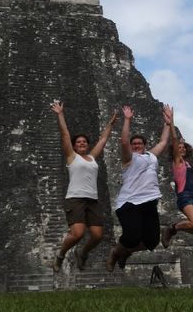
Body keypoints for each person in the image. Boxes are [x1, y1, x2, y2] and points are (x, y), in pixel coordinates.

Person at [50, 100, 117, 272]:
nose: (81, 143)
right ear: (74, 146)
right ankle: (61, 255)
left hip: (92, 200)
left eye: (84, 142)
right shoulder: (72, 157)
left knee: (97, 236)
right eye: (78, 142)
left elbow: (103, 140)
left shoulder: (92, 158)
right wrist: (60, 114)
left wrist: (110, 125)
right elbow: (65, 135)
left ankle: (83, 253)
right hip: (75, 198)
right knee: (78, 233)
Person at [105, 104, 172, 271]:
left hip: (149, 202)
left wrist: (168, 122)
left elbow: (163, 141)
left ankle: (125, 252)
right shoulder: (129, 159)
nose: (136, 145)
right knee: (132, 236)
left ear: (145, 145)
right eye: (134, 143)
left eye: (139, 143)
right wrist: (127, 120)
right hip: (130, 203)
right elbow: (124, 141)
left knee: (151, 241)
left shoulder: (151, 156)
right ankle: (115, 252)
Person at [161, 108, 193, 248]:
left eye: (183, 147)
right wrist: (171, 122)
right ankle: (172, 228)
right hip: (185, 197)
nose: (181, 149)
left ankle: (175, 228)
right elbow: (174, 140)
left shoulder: (188, 163)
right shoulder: (178, 162)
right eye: (178, 148)